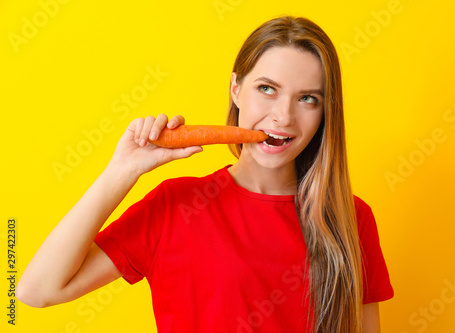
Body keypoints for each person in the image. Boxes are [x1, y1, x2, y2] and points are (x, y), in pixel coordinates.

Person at [17, 15, 394, 333]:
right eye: (267, 89)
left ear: (326, 111)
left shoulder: (350, 219)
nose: (284, 116)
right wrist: (121, 171)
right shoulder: (175, 205)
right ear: (236, 89)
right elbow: (37, 290)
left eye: (307, 98)